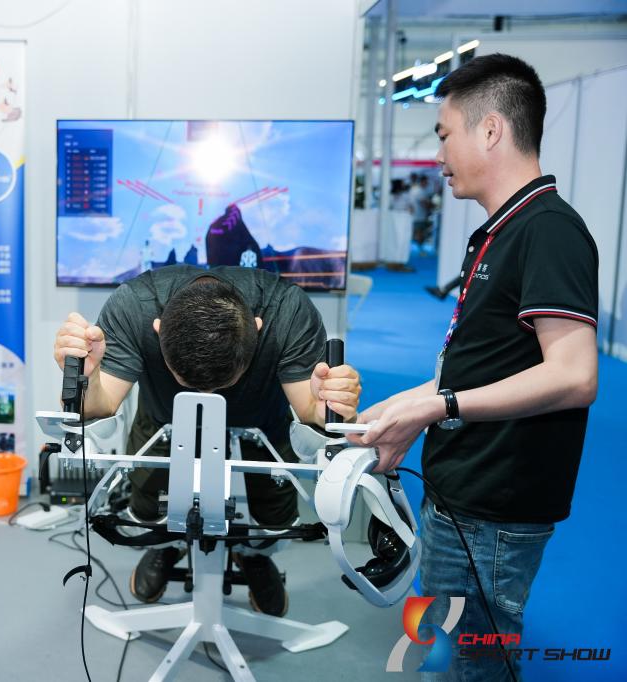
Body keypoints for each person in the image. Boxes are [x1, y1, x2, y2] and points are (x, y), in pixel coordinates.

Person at [353, 54, 598, 681]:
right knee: (445, 649)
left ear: (490, 130)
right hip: (460, 489)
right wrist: (403, 410)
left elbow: (574, 375)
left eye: (444, 135)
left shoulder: (550, 231)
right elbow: (481, 363)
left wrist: (439, 406)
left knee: (475, 665)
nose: (439, 155)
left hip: (496, 506)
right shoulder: (499, 231)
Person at [53, 265, 361, 617]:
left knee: (274, 520)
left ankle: (254, 555)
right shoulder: (135, 306)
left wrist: (328, 407)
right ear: (158, 328)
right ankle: (166, 545)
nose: (208, 395)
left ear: (258, 328)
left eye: (221, 385)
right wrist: (86, 379)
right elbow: (101, 404)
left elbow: (308, 409)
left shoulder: (287, 310)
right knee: (148, 509)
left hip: (262, 420)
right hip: (163, 418)